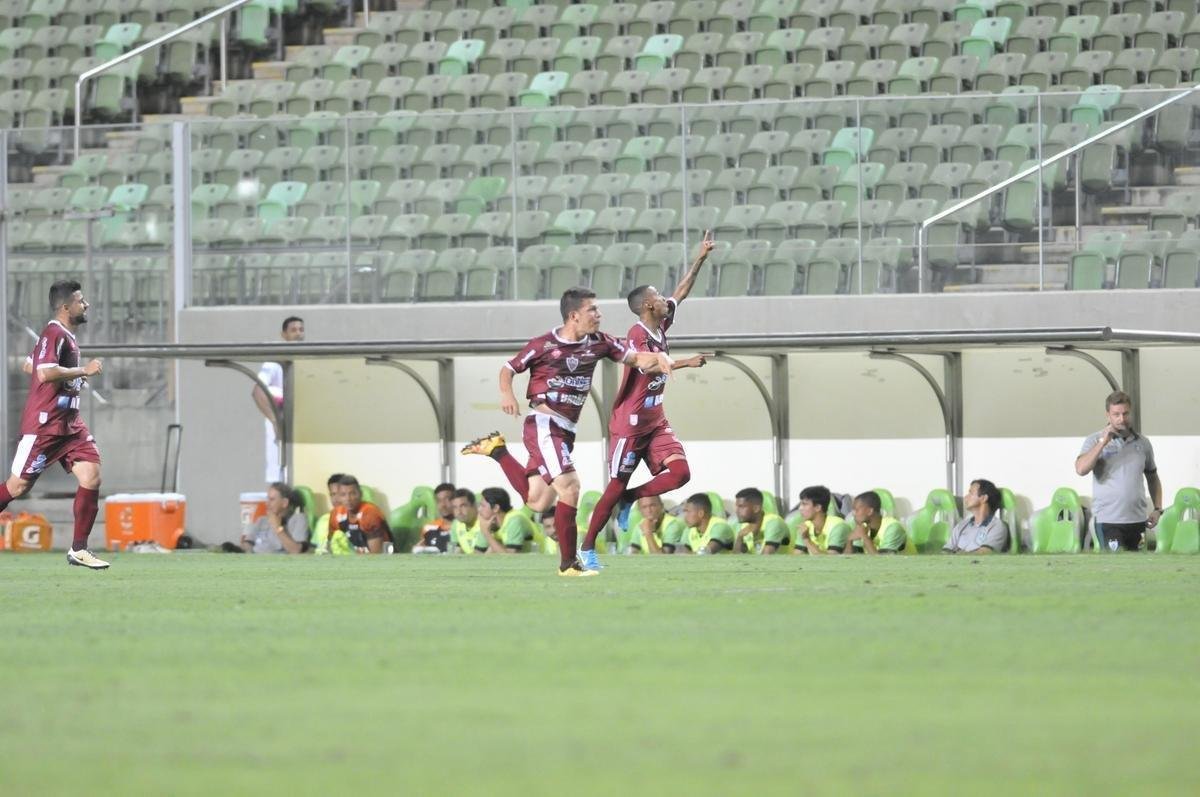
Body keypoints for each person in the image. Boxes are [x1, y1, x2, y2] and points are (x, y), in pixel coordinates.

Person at [460, 287, 674, 577]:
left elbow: (636, 359)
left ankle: (497, 450)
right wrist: (506, 393)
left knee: (538, 501)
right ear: (574, 316)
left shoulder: (600, 342)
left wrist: (661, 359)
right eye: (592, 310)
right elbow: (508, 368)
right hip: (544, 425)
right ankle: (569, 564)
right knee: (570, 488)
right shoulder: (544, 345)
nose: (599, 314)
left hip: (565, 430)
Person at [579, 233, 717, 569]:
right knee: (615, 485)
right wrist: (685, 363)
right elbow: (649, 364)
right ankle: (587, 548)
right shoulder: (636, 334)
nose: (665, 299)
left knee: (681, 473)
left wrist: (700, 258)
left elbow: (681, 292)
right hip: (631, 422)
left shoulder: (661, 323)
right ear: (647, 306)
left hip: (655, 419)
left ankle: (631, 497)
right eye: (658, 296)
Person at [0, 280, 107, 569]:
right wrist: (83, 370)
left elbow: (30, 365)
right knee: (17, 487)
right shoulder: (54, 333)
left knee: (91, 475)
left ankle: (79, 550)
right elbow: (44, 373)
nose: (86, 304)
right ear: (65, 307)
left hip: (70, 426)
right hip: (44, 427)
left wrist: (68, 378)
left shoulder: (63, 336)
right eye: (81, 300)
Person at [1075, 390, 1162, 552]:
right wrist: (1103, 443)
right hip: (1108, 521)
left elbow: (1153, 477)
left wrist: (1157, 509)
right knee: (1115, 565)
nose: (1122, 419)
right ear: (1108, 415)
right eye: (1116, 414)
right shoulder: (1094, 440)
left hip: (1137, 520)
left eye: (1125, 413)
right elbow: (1081, 469)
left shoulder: (1143, 443)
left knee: (1138, 565)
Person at [253, 316, 304, 483]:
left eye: (301, 330)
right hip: (281, 436)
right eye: (293, 330)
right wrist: (275, 421)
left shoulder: (306, 361)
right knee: (282, 480)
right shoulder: (274, 362)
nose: (298, 334)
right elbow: (258, 391)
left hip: (302, 433)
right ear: (284, 334)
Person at [326, 475, 390, 554]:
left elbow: (376, 555)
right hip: (351, 558)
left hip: (383, 559)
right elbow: (331, 545)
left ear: (360, 494)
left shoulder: (370, 513)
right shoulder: (336, 514)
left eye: (353, 493)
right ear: (339, 497)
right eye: (343, 494)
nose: (348, 499)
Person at [944, 479, 1009, 554]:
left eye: (970, 493)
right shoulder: (961, 525)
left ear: (984, 498)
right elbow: (946, 551)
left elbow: (984, 553)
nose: (965, 497)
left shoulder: (997, 526)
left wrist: (958, 553)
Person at [240, 482, 309, 553]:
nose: (267, 503)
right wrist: (241, 548)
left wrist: (277, 528)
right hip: (254, 557)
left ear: (285, 503)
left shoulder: (298, 519)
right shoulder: (262, 520)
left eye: (272, 499)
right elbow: (248, 544)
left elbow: (296, 550)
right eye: (267, 499)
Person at [794, 485, 853, 555]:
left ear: (818, 507)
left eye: (804, 504)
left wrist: (806, 539)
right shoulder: (805, 526)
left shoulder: (839, 526)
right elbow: (797, 555)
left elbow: (831, 559)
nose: (800, 508)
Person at [476, 487, 537, 553]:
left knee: (493, 549)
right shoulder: (488, 524)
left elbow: (510, 557)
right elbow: (477, 554)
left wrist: (486, 533)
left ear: (496, 508)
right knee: (492, 548)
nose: (479, 509)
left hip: (539, 557)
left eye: (483, 506)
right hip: (520, 559)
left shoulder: (515, 520)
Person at [732, 487, 791, 554]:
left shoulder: (774, 523)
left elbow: (766, 557)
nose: (736, 511)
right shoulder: (743, 526)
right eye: (736, 506)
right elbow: (736, 557)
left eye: (741, 507)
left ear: (756, 508)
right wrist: (739, 537)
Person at [413, 482, 457, 553]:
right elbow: (420, 550)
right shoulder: (429, 528)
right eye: (439, 501)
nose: (443, 505)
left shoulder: (464, 527)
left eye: (447, 499)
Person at [450, 488, 481, 554]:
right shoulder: (455, 524)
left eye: (463, 506)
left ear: (474, 506)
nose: (459, 512)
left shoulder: (484, 523)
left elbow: (482, 554)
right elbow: (456, 552)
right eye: (455, 507)